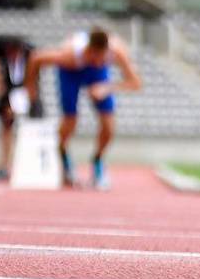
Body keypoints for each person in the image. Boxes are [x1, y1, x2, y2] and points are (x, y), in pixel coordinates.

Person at [26, 27, 142, 190]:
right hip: (70, 72)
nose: (99, 62)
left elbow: (136, 83)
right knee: (70, 120)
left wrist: (107, 88)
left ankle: (98, 161)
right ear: (89, 50)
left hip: (98, 77)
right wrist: (30, 88)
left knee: (109, 125)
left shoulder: (116, 52)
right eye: (96, 58)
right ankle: (64, 157)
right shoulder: (69, 55)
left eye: (103, 59)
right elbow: (36, 58)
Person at [0, 34, 36, 182]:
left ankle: (30, 166)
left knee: (33, 126)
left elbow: (33, 78)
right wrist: (1, 90)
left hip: (28, 88)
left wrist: (26, 99)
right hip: (9, 89)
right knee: (6, 125)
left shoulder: (30, 53)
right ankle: (4, 166)